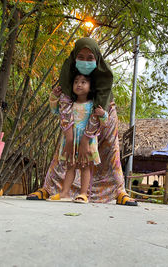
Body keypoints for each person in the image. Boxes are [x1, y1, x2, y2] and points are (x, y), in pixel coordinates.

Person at [26, 37, 137, 206]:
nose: (85, 61)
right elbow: (63, 105)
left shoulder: (103, 77)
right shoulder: (69, 72)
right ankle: (49, 188)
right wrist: (70, 138)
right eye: (81, 57)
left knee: (111, 151)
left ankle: (119, 191)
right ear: (74, 57)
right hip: (74, 123)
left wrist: (86, 138)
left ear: (97, 59)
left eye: (90, 58)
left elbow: (100, 107)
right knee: (64, 153)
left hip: (102, 116)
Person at [47, 73, 108, 203]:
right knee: (70, 166)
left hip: (87, 140)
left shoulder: (93, 105)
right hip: (71, 139)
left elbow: (103, 123)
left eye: (83, 82)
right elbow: (54, 110)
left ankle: (83, 194)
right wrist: (54, 96)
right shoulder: (68, 103)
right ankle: (64, 193)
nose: (79, 84)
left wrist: (103, 115)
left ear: (91, 87)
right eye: (76, 82)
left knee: (85, 166)